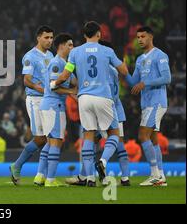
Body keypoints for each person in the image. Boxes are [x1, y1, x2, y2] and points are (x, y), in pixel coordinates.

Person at [53, 21, 130, 187]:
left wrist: (54, 84)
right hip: (103, 97)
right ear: (99, 34)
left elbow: (65, 74)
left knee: (88, 134)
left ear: (84, 35)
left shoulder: (75, 52)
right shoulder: (107, 51)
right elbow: (123, 71)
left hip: (84, 98)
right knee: (114, 134)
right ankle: (103, 161)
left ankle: (89, 178)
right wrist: (123, 64)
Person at [10, 25, 54, 186]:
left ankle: (41, 176)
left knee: (50, 138)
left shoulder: (51, 55)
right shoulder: (30, 56)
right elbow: (26, 80)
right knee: (41, 138)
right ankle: (17, 166)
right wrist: (40, 88)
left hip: (49, 100)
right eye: (46, 37)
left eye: (51, 38)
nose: (49, 41)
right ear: (38, 38)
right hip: (35, 100)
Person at [127, 26, 171, 186]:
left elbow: (167, 78)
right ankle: (161, 176)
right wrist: (123, 72)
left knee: (142, 135)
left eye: (143, 36)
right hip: (147, 103)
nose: (140, 39)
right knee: (153, 139)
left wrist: (145, 83)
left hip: (157, 101)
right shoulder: (139, 59)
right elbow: (134, 83)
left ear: (151, 37)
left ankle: (155, 175)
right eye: (138, 37)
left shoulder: (160, 55)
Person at [39, 33, 76, 187]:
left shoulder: (66, 64)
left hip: (51, 106)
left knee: (50, 141)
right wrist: (71, 93)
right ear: (61, 46)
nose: (72, 48)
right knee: (57, 141)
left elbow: (74, 82)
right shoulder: (56, 63)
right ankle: (51, 180)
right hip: (54, 105)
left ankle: (40, 176)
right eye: (70, 45)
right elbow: (53, 86)